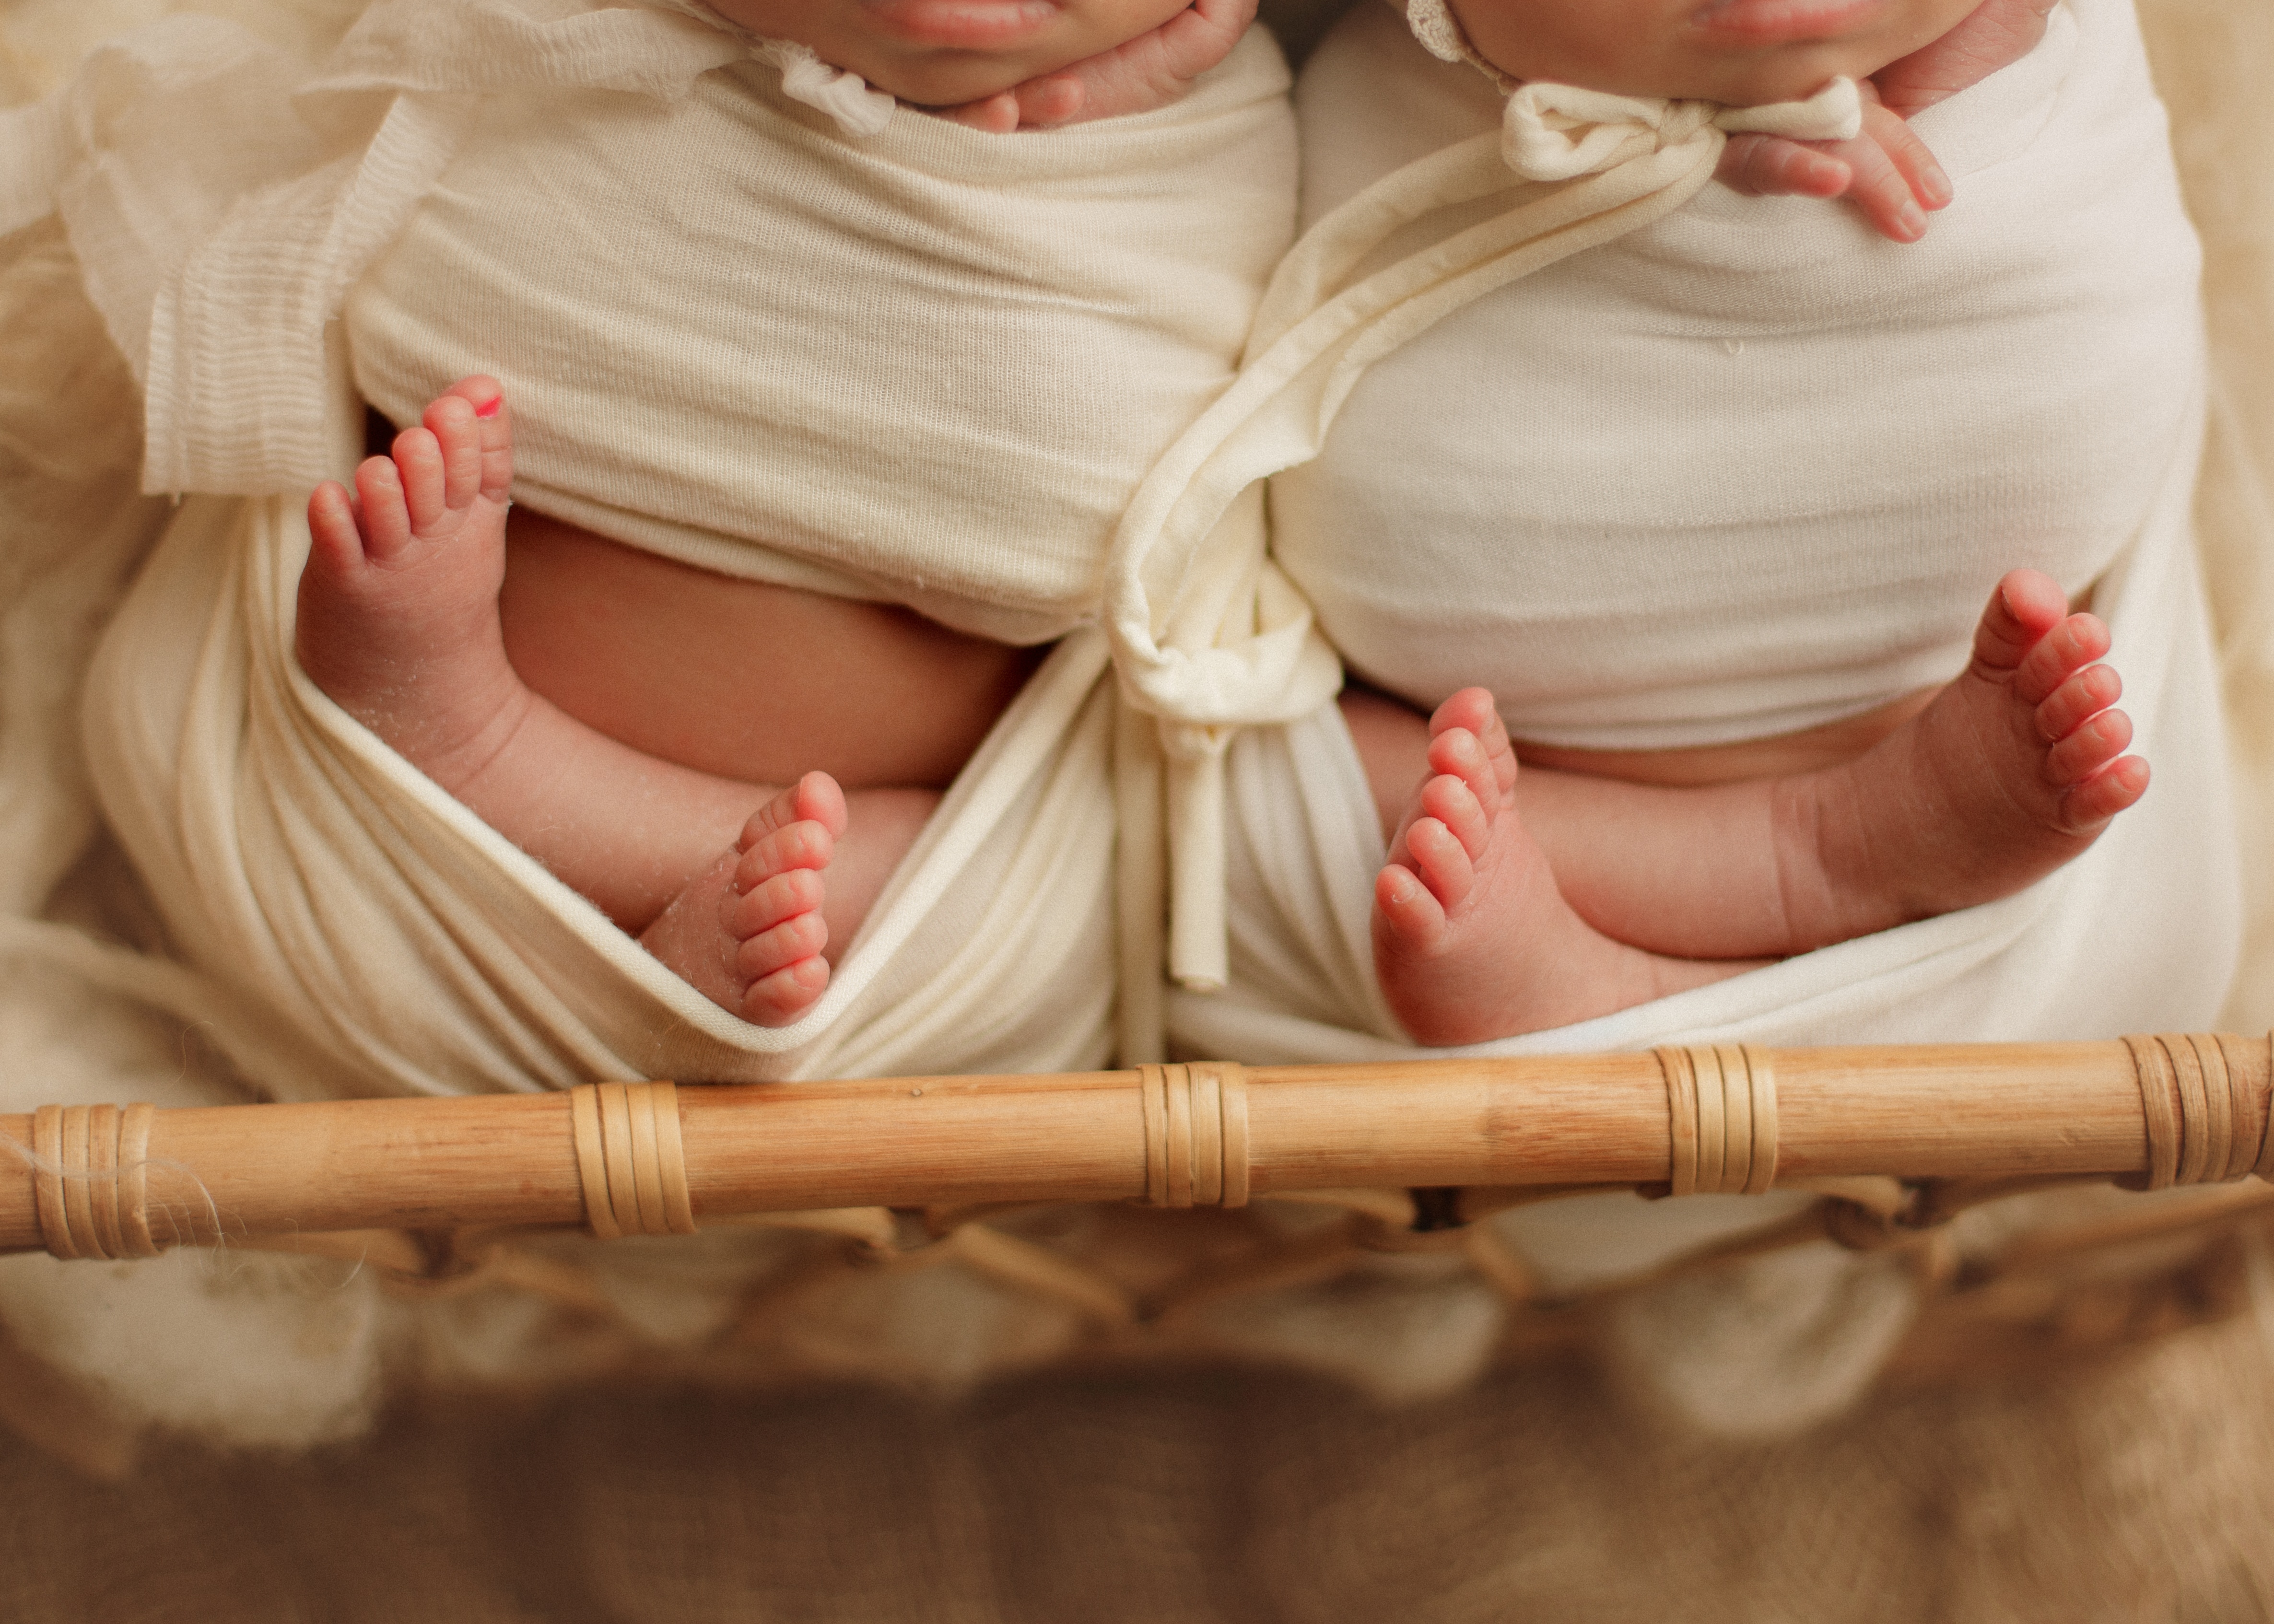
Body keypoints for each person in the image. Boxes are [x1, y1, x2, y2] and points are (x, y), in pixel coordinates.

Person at [296, 0, 1968, 1032]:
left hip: (982, 818)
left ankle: (1781, 864)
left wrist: (1810, 89)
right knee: (1211, 806)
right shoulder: (568, 53)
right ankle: (459, 731)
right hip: (929, 807)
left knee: (1265, 787)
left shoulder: (1280, 98)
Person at [1261, 0, 2189, 1044]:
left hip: (1919, 684)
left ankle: (1683, 935)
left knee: (1264, 783)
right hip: (1491, 763)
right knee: (1226, 748)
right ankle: (1808, 865)